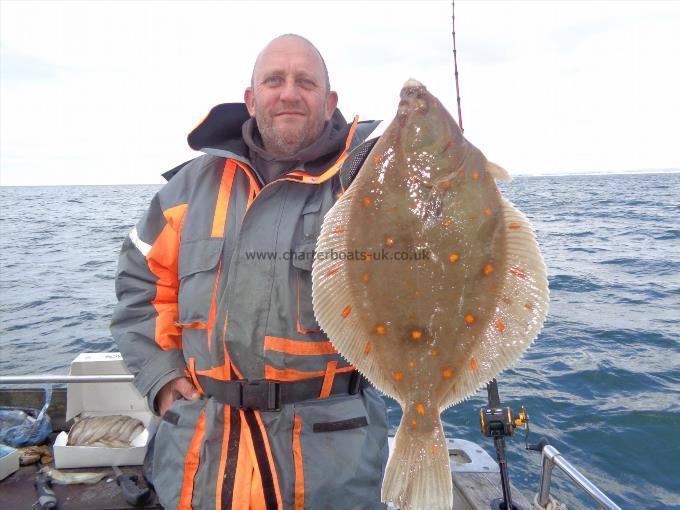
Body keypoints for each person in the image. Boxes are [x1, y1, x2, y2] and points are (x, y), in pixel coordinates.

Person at [111, 34, 388, 510]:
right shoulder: (187, 189)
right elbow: (142, 287)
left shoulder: (373, 184)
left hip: (332, 464)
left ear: (329, 102)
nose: (289, 92)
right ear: (250, 97)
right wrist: (160, 378)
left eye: (306, 81)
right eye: (274, 80)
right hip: (201, 456)